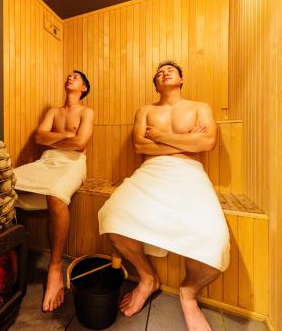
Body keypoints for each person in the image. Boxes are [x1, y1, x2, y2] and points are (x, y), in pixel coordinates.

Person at [98, 61, 229, 331]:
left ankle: (188, 292)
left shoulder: (199, 108)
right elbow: (138, 146)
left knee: (214, 241)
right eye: (158, 73)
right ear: (156, 84)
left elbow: (207, 143)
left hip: (189, 173)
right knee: (112, 215)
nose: (164, 73)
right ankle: (148, 278)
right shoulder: (145, 111)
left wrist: (160, 137)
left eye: (170, 70)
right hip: (151, 171)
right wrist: (184, 141)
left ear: (181, 79)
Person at [13, 70, 93, 312]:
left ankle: (55, 267)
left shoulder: (87, 112)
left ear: (84, 88)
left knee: (57, 192)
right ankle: (10, 252)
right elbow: (38, 137)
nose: (70, 77)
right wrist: (68, 134)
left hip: (73, 163)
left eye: (76, 77)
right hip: (46, 161)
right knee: (5, 180)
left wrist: (56, 138)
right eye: (68, 75)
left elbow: (80, 144)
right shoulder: (53, 112)